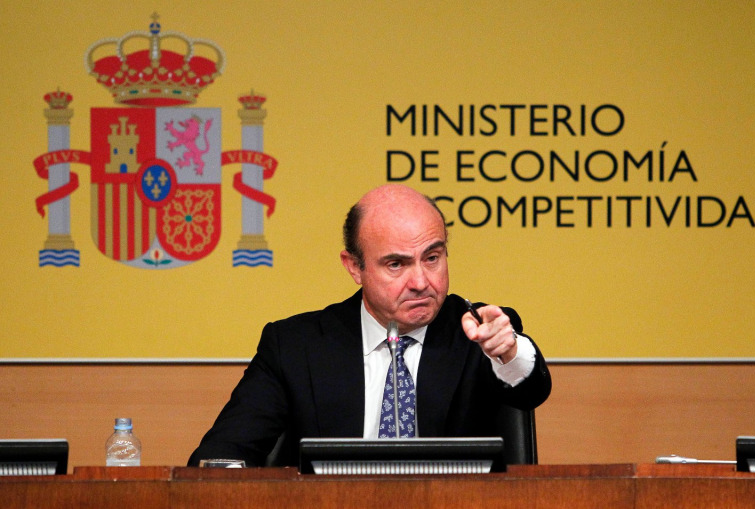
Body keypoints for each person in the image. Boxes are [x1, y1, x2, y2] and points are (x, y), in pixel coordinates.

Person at [188, 184, 551, 467]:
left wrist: (508, 352)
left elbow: (530, 390)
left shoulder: (480, 333)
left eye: (432, 258)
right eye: (396, 264)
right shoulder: (295, 347)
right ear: (354, 267)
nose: (421, 282)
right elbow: (220, 457)